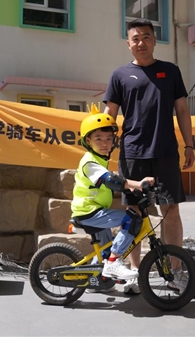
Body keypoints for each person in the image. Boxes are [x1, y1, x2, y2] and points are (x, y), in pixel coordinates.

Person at [103, 18, 195, 294]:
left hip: (165, 152)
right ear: (128, 44)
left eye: (146, 37)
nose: (140, 42)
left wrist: (189, 145)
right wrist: (102, 148)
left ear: (154, 41)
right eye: (135, 38)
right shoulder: (119, 75)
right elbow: (109, 115)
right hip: (132, 154)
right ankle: (133, 274)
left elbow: (182, 110)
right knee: (135, 213)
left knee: (171, 211)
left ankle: (176, 273)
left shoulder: (171, 71)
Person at [71, 104, 154, 284]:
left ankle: (97, 279)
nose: (105, 143)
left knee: (105, 250)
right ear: (88, 141)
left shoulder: (99, 159)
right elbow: (111, 181)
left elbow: (110, 182)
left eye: (109, 139)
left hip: (95, 210)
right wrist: (137, 184)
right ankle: (114, 262)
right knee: (132, 220)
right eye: (98, 138)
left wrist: (129, 188)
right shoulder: (90, 162)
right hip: (89, 211)